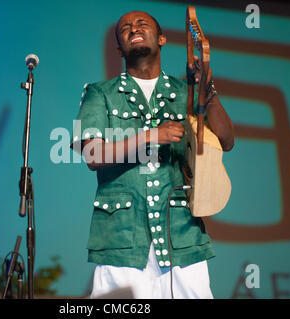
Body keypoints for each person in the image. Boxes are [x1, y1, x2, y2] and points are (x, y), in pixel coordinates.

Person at [71, 11, 234, 299]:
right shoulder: (97, 92)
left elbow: (226, 140)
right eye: (125, 28)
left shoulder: (186, 91)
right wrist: (150, 136)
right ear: (118, 48)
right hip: (120, 240)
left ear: (162, 39)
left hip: (181, 234)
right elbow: (92, 155)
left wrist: (207, 86)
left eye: (142, 24)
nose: (133, 28)